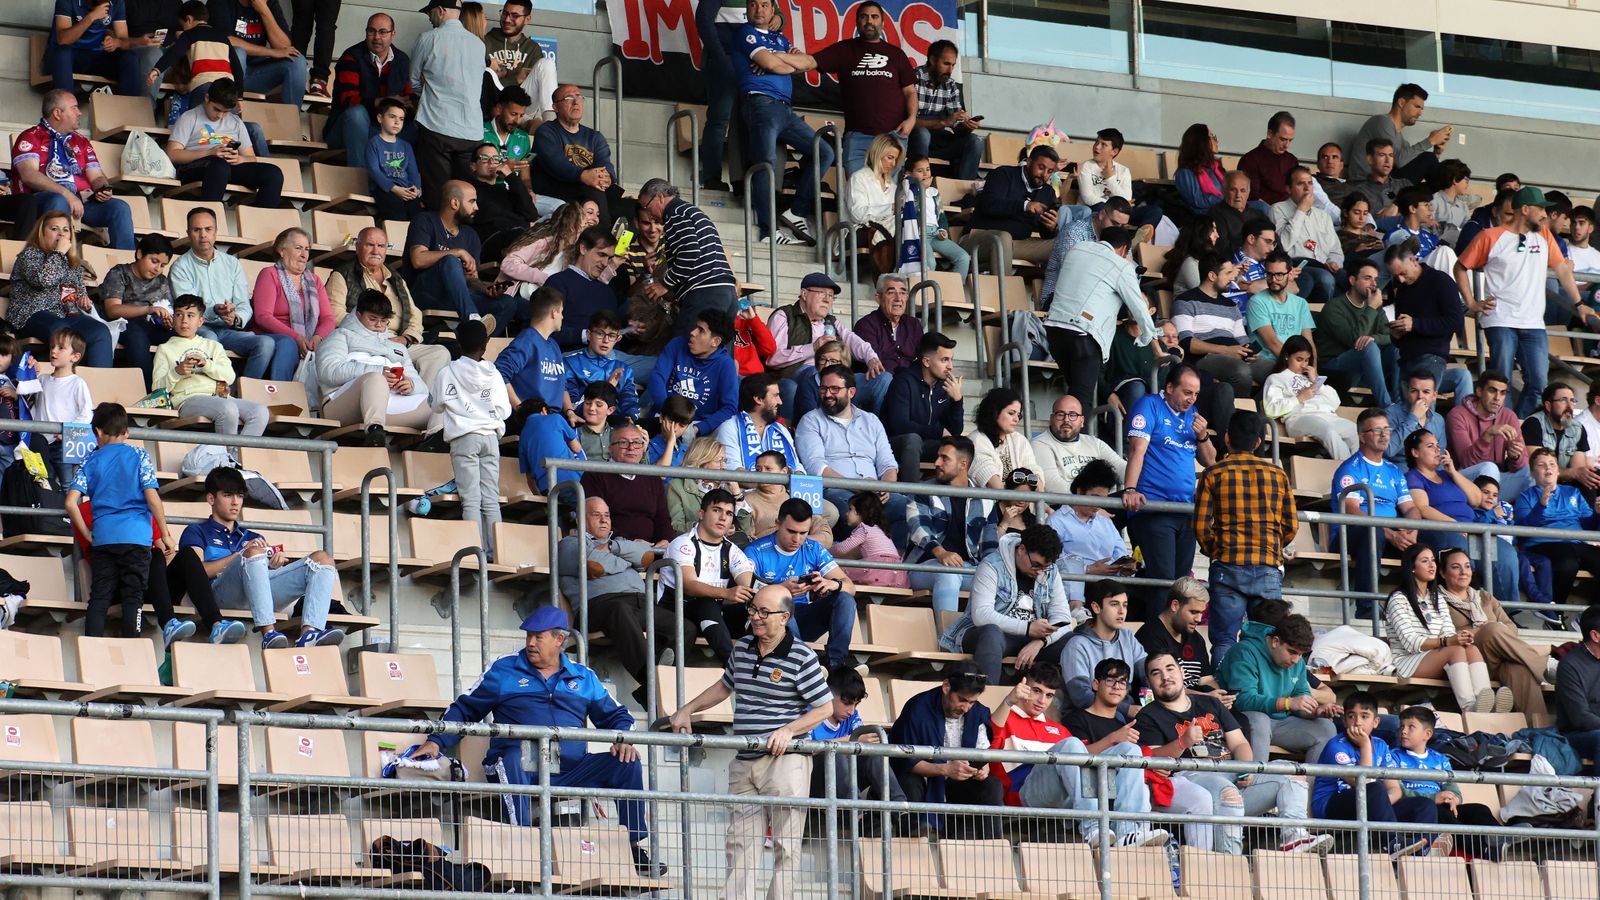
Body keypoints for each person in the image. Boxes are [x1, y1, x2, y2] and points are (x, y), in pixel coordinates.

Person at [412, 607, 660, 875]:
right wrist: (436, 741)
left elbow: (618, 716)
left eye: (538, 637)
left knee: (627, 761)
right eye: (528, 636)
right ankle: (524, 845)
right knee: (514, 754)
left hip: (571, 769)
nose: (530, 643)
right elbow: (465, 708)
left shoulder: (583, 676)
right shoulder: (504, 669)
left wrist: (623, 738)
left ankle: (632, 847)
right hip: (516, 765)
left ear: (559, 640)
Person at [670, 584, 833, 900]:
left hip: (786, 761)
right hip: (745, 759)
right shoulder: (742, 647)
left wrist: (789, 730)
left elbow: (825, 708)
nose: (755, 617)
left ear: (784, 617)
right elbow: (724, 686)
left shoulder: (802, 656)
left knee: (786, 847)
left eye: (764, 612)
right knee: (740, 846)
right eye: (753, 609)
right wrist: (687, 709)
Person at [1139, 652, 1329, 855]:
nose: (1165, 677)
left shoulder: (1211, 704)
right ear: (1149, 682)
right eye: (1156, 673)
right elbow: (1153, 759)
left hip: (1231, 772)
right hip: (1191, 777)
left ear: (1182, 672)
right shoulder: (1148, 715)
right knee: (1228, 794)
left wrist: (1245, 769)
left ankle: (1294, 836)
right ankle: (1230, 863)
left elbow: (1239, 743)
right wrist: (1182, 742)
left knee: (1292, 775)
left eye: (1170, 669)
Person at [989, 664, 1167, 846]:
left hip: (1066, 794)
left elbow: (1083, 757)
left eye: (1049, 695)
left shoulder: (1059, 729)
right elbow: (989, 738)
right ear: (1023, 687)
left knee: (1130, 749)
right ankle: (1092, 826)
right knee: (1072, 744)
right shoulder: (1005, 718)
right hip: (1024, 794)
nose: (1042, 700)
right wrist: (1009, 701)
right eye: (1036, 691)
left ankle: (1127, 832)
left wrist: (1115, 741)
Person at [181, 465, 344, 649]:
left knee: (323, 559)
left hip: (256, 597)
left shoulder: (253, 537)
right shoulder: (196, 531)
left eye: (240, 496)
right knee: (252, 553)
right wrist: (239, 556)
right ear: (211, 498)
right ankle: (268, 633)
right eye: (228, 495)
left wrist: (274, 565)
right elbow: (196, 572)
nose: (235, 502)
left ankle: (309, 633)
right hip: (218, 596)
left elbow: (259, 579)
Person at [1457, 186, 1586, 418]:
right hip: (1500, 319)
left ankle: (1515, 426)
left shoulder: (1545, 236)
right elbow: (1460, 266)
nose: (1545, 215)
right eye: (1540, 210)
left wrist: (1578, 303)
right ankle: (1498, 430)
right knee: (1500, 382)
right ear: (1525, 209)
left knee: (1538, 382)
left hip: (1533, 322)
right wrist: (1472, 303)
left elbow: (1563, 270)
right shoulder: (1490, 236)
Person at [1194, 411, 1296, 665]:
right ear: (1259, 443)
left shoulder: (1213, 473)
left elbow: (1201, 526)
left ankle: (1226, 700)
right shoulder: (1279, 475)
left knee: (1225, 639)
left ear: (1227, 439)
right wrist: (1272, 547)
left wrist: (1215, 550)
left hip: (1227, 566)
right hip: (1268, 567)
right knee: (1268, 640)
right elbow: (1291, 525)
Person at [725, 0, 830, 244]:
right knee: (766, 163)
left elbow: (807, 64)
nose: (759, 10)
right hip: (760, 104)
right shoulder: (745, 33)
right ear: (748, 9)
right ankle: (767, 231)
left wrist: (777, 58)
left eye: (764, 5)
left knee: (824, 151)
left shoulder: (780, 39)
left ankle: (796, 211)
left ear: (773, 10)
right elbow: (775, 65)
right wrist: (780, 63)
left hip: (785, 110)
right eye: (754, 5)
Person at [64, 403, 173, 639]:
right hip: (137, 537)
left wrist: (86, 533)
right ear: (127, 432)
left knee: (100, 596)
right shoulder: (139, 455)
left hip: (103, 538)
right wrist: (164, 533)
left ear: (97, 432)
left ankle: (90, 647)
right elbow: (152, 497)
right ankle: (131, 647)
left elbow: (71, 503)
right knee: (133, 596)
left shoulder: (90, 461)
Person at [558, 497, 678, 709]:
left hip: (639, 603)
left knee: (684, 626)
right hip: (597, 607)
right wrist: (625, 559)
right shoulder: (569, 543)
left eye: (607, 515)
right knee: (620, 609)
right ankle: (649, 679)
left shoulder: (617, 543)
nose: (604, 521)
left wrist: (613, 548)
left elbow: (647, 557)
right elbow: (593, 566)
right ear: (579, 520)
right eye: (596, 515)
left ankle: (651, 687)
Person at [1123, 365, 1216, 618]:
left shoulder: (1193, 415)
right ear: (1170, 387)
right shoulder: (1149, 405)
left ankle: (1172, 643)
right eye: (1187, 392)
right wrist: (1130, 488)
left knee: (1180, 585)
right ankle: (1158, 643)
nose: (1191, 399)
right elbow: (1137, 450)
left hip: (1185, 511)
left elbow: (1210, 461)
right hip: (1154, 509)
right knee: (1163, 581)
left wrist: (1203, 436)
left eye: (1195, 394)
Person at [1043, 226, 1158, 414]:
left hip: (1055, 330)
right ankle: (1076, 441)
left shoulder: (1077, 249)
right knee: (1082, 400)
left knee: (1075, 391)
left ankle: (1066, 434)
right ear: (1123, 250)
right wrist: (1152, 341)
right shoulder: (1121, 266)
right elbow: (1139, 308)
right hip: (1084, 334)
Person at [939, 524, 1069, 683]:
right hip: (988, 635)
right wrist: (1027, 628)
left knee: (1072, 641)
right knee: (991, 633)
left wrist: (1040, 642)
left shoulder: (1051, 572)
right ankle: (988, 700)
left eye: (1045, 567)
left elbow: (1063, 619)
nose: (1040, 571)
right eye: (1036, 565)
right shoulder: (991, 565)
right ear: (1021, 549)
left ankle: (1065, 704)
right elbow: (981, 615)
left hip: (1031, 638)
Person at [326, 226, 451, 391]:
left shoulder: (396, 277)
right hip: (363, 340)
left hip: (397, 342)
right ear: (357, 247)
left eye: (381, 246)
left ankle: (421, 402)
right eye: (369, 245)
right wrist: (370, 334)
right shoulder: (342, 275)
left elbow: (415, 314)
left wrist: (406, 338)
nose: (375, 250)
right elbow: (335, 315)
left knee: (439, 353)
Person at [1311, 691, 1434, 857]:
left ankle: (1419, 853)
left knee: (1424, 804)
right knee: (1374, 788)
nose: (1357, 722)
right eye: (1351, 716)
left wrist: (1380, 804)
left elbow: (1394, 788)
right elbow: (1362, 783)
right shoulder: (1336, 745)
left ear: (1376, 722)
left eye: (1364, 716)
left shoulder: (1381, 745)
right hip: (1332, 805)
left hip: (1371, 803)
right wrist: (1365, 746)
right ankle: (1394, 843)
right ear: (1344, 720)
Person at [1386, 543, 1505, 712]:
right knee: (1455, 650)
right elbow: (1410, 643)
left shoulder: (1437, 598)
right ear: (1412, 568)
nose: (1432, 565)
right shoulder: (1398, 599)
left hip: (1434, 657)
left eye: (1433, 560)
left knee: (1469, 648)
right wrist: (1447, 641)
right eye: (1425, 561)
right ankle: (1469, 707)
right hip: (1406, 662)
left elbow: (1448, 632)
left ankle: (1485, 703)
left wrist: (1460, 638)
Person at [888, 662, 1004, 835]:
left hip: (956, 784)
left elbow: (982, 755)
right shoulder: (917, 708)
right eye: (962, 700)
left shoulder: (978, 712)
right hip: (923, 780)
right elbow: (905, 762)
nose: (966, 708)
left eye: (972, 702)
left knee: (992, 784)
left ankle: (991, 847)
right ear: (946, 686)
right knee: (910, 781)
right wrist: (945, 769)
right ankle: (914, 837)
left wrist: (981, 770)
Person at [796, 364, 907, 544]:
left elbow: (887, 463)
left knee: (909, 509)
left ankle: (896, 565)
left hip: (875, 491)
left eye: (834, 389)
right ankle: (860, 565)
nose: (827, 394)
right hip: (836, 490)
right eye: (823, 389)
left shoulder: (871, 420)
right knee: (856, 513)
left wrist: (886, 487)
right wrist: (860, 486)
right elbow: (816, 468)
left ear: (851, 392)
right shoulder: (810, 421)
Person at [11, 91, 135, 251]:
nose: (80, 112)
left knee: (120, 208)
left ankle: (125, 267)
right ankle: (57, 261)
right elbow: (29, 176)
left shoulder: (81, 141)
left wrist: (102, 187)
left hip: (79, 201)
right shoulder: (31, 136)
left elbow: (96, 175)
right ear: (57, 113)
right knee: (59, 201)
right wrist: (66, 194)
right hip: (40, 200)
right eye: (74, 108)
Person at [1215, 605, 1337, 765]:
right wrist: (1287, 703)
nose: (1296, 660)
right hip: (1241, 721)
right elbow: (1243, 700)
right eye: (1292, 652)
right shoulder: (1245, 652)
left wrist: (1315, 711)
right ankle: (1253, 783)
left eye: (1301, 655)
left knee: (1326, 727)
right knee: (1260, 720)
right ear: (1275, 641)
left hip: (1281, 723)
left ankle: (1310, 788)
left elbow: (1300, 698)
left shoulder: (1297, 662)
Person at [804, 2, 915, 175]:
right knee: (856, 194)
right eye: (864, 16)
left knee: (885, 196)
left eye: (874, 17)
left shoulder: (896, 54)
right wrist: (783, 57)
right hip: (858, 137)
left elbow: (910, 92)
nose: (869, 21)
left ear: (883, 23)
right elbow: (810, 62)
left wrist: (912, 119)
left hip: (892, 137)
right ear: (857, 22)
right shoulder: (844, 50)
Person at [743, 499, 856, 669]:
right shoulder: (755, 551)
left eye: (803, 532)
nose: (797, 539)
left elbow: (850, 587)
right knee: (783, 609)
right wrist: (782, 590)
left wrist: (831, 584)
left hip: (803, 617)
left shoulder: (813, 548)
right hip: (768, 619)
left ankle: (835, 665)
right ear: (777, 524)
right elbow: (747, 595)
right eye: (791, 531)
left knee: (845, 599)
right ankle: (802, 664)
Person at [1435, 548, 1549, 717]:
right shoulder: (1437, 600)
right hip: (1468, 661)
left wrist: (1491, 631)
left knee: (1520, 670)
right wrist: (1482, 631)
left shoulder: (1484, 597)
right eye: (1455, 567)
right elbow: (1443, 635)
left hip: (1498, 657)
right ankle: (1545, 666)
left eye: (1467, 567)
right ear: (1443, 573)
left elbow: (1511, 628)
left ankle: (1540, 730)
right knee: (1492, 628)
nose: (1463, 572)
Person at [430, 319, 510, 553]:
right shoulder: (494, 374)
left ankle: (475, 554)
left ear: (458, 343)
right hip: (490, 438)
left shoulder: (447, 372)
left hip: (464, 438)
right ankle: (498, 554)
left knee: (471, 500)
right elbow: (504, 410)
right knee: (491, 499)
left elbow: (435, 406)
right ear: (485, 347)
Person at [316, 289, 432, 446]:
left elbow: (421, 386)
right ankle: (374, 431)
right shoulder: (340, 335)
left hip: (391, 403)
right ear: (358, 314)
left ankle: (435, 440)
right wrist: (377, 371)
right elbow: (328, 371)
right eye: (373, 319)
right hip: (341, 406)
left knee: (439, 402)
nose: (378, 325)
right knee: (376, 378)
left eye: (384, 321)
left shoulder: (397, 348)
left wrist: (410, 384)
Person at [766, 272, 889, 414]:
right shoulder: (784, 316)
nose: (827, 300)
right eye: (822, 293)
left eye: (831, 296)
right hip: (798, 374)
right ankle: (819, 426)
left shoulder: (831, 321)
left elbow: (852, 340)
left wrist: (871, 357)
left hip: (835, 375)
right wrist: (813, 348)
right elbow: (772, 358)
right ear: (804, 294)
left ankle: (869, 429)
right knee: (815, 373)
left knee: (882, 379)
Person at [1392, 705, 1504, 858]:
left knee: (1479, 809)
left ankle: (1500, 839)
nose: (1403, 731)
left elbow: (1454, 789)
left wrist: (1453, 799)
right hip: (1418, 809)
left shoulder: (1440, 759)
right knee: (1441, 812)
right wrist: (1435, 798)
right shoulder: (1393, 756)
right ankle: (1486, 849)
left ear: (1427, 734)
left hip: (1443, 806)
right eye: (1402, 726)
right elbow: (1395, 790)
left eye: (1411, 727)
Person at [403, 180, 515, 333]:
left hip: (458, 298)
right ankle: (472, 322)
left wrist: (484, 288)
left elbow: (471, 279)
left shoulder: (471, 235)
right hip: (425, 293)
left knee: (507, 303)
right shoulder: (424, 220)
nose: (477, 207)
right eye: (472, 201)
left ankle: (473, 347)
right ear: (455, 203)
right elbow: (417, 260)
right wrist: (457, 252)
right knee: (450, 261)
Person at [659, 488, 755, 664]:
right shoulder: (682, 543)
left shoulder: (731, 550)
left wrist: (783, 589)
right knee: (707, 601)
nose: (723, 517)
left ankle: (776, 667)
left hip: (711, 619)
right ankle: (736, 668)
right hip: (675, 614)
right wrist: (726, 593)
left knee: (759, 611)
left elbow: (749, 583)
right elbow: (688, 585)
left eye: (728, 513)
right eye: (717, 510)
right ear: (701, 513)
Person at [7, 212, 114, 369]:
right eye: (54, 229)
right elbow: (43, 281)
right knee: (62, 330)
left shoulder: (73, 263)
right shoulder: (29, 255)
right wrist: (58, 252)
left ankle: (99, 385)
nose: (61, 234)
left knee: (100, 331)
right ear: (42, 232)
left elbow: (78, 293)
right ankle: (64, 380)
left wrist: (84, 303)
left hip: (65, 316)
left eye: (65, 230)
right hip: (30, 314)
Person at [153, 294, 267, 437]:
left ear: (201, 321)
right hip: (187, 400)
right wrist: (176, 372)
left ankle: (237, 456)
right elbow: (157, 390)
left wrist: (207, 364)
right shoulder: (165, 349)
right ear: (173, 319)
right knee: (228, 409)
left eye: (190, 315)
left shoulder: (213, 346)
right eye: (179, 315)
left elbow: (229, 377)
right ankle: (227, 457)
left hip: (220, 397)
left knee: (260, 412)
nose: (184, 320)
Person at [636, 179, 738, 335]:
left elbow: (689, 253)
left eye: (647, 207)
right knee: (716, 355)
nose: (650, 215)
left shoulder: (675, 214)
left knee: (684, 351)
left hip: (704, 294)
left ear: (659, 197)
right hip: (726, 293)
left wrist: (664, 284)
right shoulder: (691, 212)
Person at [411, 0, 488, 209]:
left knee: (438, 195)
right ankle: (464, 238)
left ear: (441, 10)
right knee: (465, 197)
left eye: (430, 12)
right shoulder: (479, 45)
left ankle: (438, 240)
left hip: (437, 125)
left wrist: (429, 93)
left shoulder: (428, 38)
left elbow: (413, 82)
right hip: (471, 131)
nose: (429, 17)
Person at [905, 437, 994, 614]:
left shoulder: (985, 498)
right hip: (924, 565)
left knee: (994, 580)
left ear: (963, 464)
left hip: (968, 567)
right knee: (948, 574)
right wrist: (941, 552)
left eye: (944, 458)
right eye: (938, 457)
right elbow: (918, 528)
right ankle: (947, 640)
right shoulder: (922, 490)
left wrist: (992, 571)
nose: (937, 463)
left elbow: (990, 545)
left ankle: (972, 637)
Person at [164, 77, 284, 208]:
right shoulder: (189, 117)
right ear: (207, 98)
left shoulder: (236, 122)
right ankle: (209, 217)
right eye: (217, 109)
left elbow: (251, 157)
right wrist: (210, 153)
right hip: (196, 166)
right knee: (219, 166)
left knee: (273, 173)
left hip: (227, 167)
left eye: (225, 112)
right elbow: (172, 154)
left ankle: (261, 221)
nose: (220, 116)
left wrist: (239, 159)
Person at [1172, 254, 1269, 413]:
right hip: (1203, 358)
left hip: (1235, 355)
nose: (1234, 277)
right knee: (1241, 371)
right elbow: (1187, 343)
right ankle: (1237, 418)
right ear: (1212, 276)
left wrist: (1249, 351)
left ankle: (1257, 413)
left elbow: (1242, 339)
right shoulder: (1185, 301)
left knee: (1277, 371)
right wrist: (1227, 350)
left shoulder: (1232, 305)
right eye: (1228, 273)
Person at [1515, 447, 1600, 614]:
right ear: (1532, 473)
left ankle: (1592, 618)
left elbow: (1589, 525)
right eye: (1542, 464)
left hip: (1575, 543)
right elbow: (1522, 529)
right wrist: (1540, 505)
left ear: (1558, 470)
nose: (1548, 468)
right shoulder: (1526, 496)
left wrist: (1598, 514)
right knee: (1568, 561)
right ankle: (1554, 613)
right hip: (1543, 543)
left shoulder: (1573, 492)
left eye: (1552, 464)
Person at [529, 84, 625, 226]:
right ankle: (599, 242)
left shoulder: (594, 137)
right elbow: (556, 165)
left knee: (631, 208)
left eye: (579, 97)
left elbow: (606, 165)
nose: (576, 102)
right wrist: (583, 176)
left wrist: (606, 178)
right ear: (555, 107)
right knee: (594, 192)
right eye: (569, 98)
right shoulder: (546, 131)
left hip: (590, 189)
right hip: (556, 188)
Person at [328, 13, 414, 166]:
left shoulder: (402, 60)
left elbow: (408, 96)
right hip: (347, 129)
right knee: (357, 114)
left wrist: (411, 104)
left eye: (383, 32)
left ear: (393, 35)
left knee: (418, 127)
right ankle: (360, 180)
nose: (376, 37)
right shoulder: (351, 57)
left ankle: (403, 183)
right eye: (371, 31)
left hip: (382, 128)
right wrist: (385, 102)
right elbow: (348, 100)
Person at [960, 145, 1059, 270]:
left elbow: (1044, 234)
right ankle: (1001, 286)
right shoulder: (1003, 174)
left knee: (1063, 245)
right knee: (1003, 238)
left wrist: (1051, 227)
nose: (1044, 175)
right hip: (979, 238)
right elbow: (989, 205)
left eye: (1050, 171)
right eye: (1041, 168)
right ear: (1028, 162)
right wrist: (1024, 206)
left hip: (1018, 244)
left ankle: (1047, 289)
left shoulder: (1048, 192)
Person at [249, 227, 330, 380]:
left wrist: (318, 337)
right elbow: (263, 316)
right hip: (272, 336)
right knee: (288, 343)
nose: (304, 255)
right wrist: (297, 337)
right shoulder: (269, 274)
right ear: (282, 250)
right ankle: (281, 396)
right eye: (298, 248)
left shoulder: (315, 280)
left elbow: (327, 318)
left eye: (307, 249)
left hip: (308, 339)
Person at [1047, 460, 1132, 606]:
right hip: (1076, 586)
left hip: (1111, 585)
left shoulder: (1105, 521)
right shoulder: (1056, 521)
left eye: (1103, 500)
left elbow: (1120, 552)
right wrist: (1089, 569)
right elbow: (1054, 561)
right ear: (1080, 491)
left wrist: (1124, 567)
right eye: (1095, 497)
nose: (1098, 505)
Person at [647, 310, 740, 439]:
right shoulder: (677, 344)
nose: (693, 332)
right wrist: (668, 413)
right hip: (665, 416)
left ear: (715, 341)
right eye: (696, 327)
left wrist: (698, 428)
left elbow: (729, 407)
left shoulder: (725, 365)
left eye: (701, 330)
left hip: (697, 425)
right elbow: (657, 377)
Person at [1315, 258, 1396, 406]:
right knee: (1368, 347)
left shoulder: (1374, 307)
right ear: (1352, 280)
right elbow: (1355, 341)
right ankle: (1387, 406)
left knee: (1396, 348)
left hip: (1366, 368)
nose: (1373, 284)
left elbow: (1393, 336)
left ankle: (1400, 403)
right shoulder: (1334, 307)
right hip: (1335, 368)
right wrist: (1371, 309)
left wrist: (1374, 338)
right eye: (1367, 278)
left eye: (1375, 279)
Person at [882, 331, 962, 480]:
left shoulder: (944, 386)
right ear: (926, 361)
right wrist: (938, 432)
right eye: (944, 360)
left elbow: (954, 432)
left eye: (951, 360)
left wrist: (957, 401)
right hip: (894, 445)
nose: (950, 366)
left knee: (964, 447)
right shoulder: (903, 382)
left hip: (926, 445)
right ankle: (910, 499)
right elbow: (899, 426)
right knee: (912, 440)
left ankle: (954, 499)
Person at [1262, 334, 1355, 459]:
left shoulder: (1310, 377)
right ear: (1286, 356)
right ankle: (1348, 472)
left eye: (1306, 360)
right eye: (1299, 359)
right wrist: (1299, 398)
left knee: (1355, 431)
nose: (1304, 365)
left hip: (1327, 415)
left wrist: (1316, 381)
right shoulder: (1276, 378)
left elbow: (1335, 402)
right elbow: (1271, 410)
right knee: (1328, 431)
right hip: (1300, 418)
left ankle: (1360, 472)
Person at [103, 233, 178, 386]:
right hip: (124, 323)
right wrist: (148, 310)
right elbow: (112, 310)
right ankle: (147, 391)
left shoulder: (162, 282)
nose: (157, 269)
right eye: (154, 261)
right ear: (139, 254)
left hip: (151, 324)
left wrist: (167, 321)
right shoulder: (119, 273)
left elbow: (168, 309)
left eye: (163, 265)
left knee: (179, 337)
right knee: (138, 338)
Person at [582, 424, 674, 544]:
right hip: (611, 547)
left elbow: (663, 519)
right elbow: (595, 521)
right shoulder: (595, 475)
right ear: (610, 448)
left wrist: (665, 540)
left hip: (653, 550)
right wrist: (630, 543)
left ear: (643, 448)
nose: (631, 448)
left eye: (636, 442)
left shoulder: (653, 478)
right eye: (623, 443)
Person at [905, 40, 983, 180]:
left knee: (975, 141)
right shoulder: (913, 77)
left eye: (953, 65)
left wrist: (967, 126)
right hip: (911, 140)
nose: (950, 70)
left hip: (938, 141)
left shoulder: (950, 85)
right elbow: (907, 121)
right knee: (923, 134)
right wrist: (943, 122)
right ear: (933, 60)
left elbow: (956, 128)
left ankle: (964, 193)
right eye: (946, 64)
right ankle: (920, 185)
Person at [1446, 372, 1531, 501]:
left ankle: (1523, 516)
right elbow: (1467, 462)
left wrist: (1515, 457)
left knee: (1534, 471)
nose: (1497, 398)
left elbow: (1520, 465)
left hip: (1496, 482)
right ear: (1479, 391)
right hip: (1463, 480)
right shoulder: (1457, 414)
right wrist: (1487, 435)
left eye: (1502, 393)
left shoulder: (1509, 416)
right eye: (1492, 391)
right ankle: (1490, 515)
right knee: (1489, 467)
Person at [209, 0, 305, 108]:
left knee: (298, 60)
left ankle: (291, 121)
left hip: (256, 73)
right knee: (238, 52)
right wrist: (271, 52)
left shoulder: (269, 3)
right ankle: (230, 114)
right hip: (227, 77)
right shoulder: (220, 3)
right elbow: (227, 40)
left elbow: (284, 47)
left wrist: (264, 10)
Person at [1347, 83, 1450, 183]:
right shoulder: (1381, 122)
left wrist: (1437, 153)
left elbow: (1413, 164)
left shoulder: (1400, 139)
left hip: (1385, 185)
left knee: (1424, 191)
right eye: (1416, 107)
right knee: (1428, 158)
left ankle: (1449, 196)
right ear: (1401, 102)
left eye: (1421, 109)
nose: (1420, 113)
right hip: (1364, 185)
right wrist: (1430, 141)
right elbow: (1398, 161)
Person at [1134, 577, 1221, 694]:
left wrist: (1221, 697)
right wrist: (1207, 696)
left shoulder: (1196, 638)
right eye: (1194, 612)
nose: (1199, 619)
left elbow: (1206, 679)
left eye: (1201, 613)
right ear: (1175, 605)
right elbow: (1164, 688)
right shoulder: (1149, 636)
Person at [1403, 429, 1482, 557]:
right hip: (1445, 532)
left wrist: (1454, 472)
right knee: (1460, 549)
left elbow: (1477, 499)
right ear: (1415, 452)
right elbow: (1422, 509)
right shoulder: (1413, 476)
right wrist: (1456, 525)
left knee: (1504, 556)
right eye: (1430, 446)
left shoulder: (1448, 474)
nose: (1437, 450)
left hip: (1471, 530)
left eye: (1438, 446)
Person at [1271, 166, 1342, 302]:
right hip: (1296, 265)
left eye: (1310, 183)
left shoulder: (1323, 216)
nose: (1307, 188)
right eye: (1300, 183)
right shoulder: (1278, 209)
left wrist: (1334, 262)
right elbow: (1283, 245)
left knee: (1352, 279)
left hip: (1323, 264)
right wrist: (1301, 210)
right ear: (1288, 189)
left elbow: (1335, 250)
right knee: (1325, 279)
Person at [1033, 394, 1123, 494]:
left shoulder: (1095, 443)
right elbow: (1053, 486)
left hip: (1102, 501)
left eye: (1072, 415)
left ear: (1082, 421)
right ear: (1052, 419)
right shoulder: (1040, 443)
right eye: (1060, 414)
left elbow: (1121, 467)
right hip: (1067, 505)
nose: (1066, 420)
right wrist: (1091, 502)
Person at [47, 0, 140, 95]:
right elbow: (63, 39)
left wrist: (116, 42)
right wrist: (91, 17)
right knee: (62, 52)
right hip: (69, 58)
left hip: (96, 57)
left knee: (130, 57)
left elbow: (124, 41)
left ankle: (130, 107)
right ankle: (66, 106)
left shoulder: (116, 2)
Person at [714, 372, 802, 473]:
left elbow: (797, 467)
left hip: (784, 488)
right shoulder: (730, 427)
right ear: (758, 399)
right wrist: (771, 484)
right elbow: (733, 470)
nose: (780, 402)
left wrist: (798, 482)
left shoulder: (780, 429)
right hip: (745, 489)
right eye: (775, 396)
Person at [665, 437, 752, 537]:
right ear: (701, 462)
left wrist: (737, 495)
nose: (724, 466)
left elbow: (746, 532)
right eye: (719, 461)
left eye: (725, 461)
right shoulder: (676, 487)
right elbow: (675, 528)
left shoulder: (727, 488)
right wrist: (711, 528)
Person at [747, 452, 836, 547]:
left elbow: (826, 537)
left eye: (768, 469)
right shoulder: (747, 501)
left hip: (802, 557)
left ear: (784, 471)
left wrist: (797, 541)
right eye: (758, 469)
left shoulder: (798, 495)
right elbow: (749, 541)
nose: (762, 473)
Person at [1521, 382, 1599, 490]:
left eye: (1572, 400)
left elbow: (1578, 469)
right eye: (1563, 400)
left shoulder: (1577, 428)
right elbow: (1538, 467)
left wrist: (1580, 474)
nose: (1569, 405)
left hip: (1564, 483)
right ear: (1548, 406)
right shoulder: (1534, 424)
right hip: (1538, 482)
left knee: (1588, 482)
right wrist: (1574, 473)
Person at [1555, 605, 1600, 776]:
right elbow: (1580, 717)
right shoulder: (1570, 664)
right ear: (1595, 635)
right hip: (1578, 734)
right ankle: (1598, 801)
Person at [969, 387, 1038, 491]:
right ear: (994, 412)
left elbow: (1034, 474)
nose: (1016, 419)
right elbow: (995, 485)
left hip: (1023, 502)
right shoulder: (977, 439)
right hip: (993, 504)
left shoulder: (1020, 440)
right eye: (1011, 413)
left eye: (1018, 415)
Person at [366, 97, 423, 222]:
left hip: (406, 188)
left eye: (401, 119)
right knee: (397, 213)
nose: (397, 122)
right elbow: (374, 171)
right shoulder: (374, 143)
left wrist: (416, 188)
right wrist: (394, 188)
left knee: (417, 215)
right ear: (380, 118)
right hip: (384, 189)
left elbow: (413, 170)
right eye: (392, 117)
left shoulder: (406, 146)